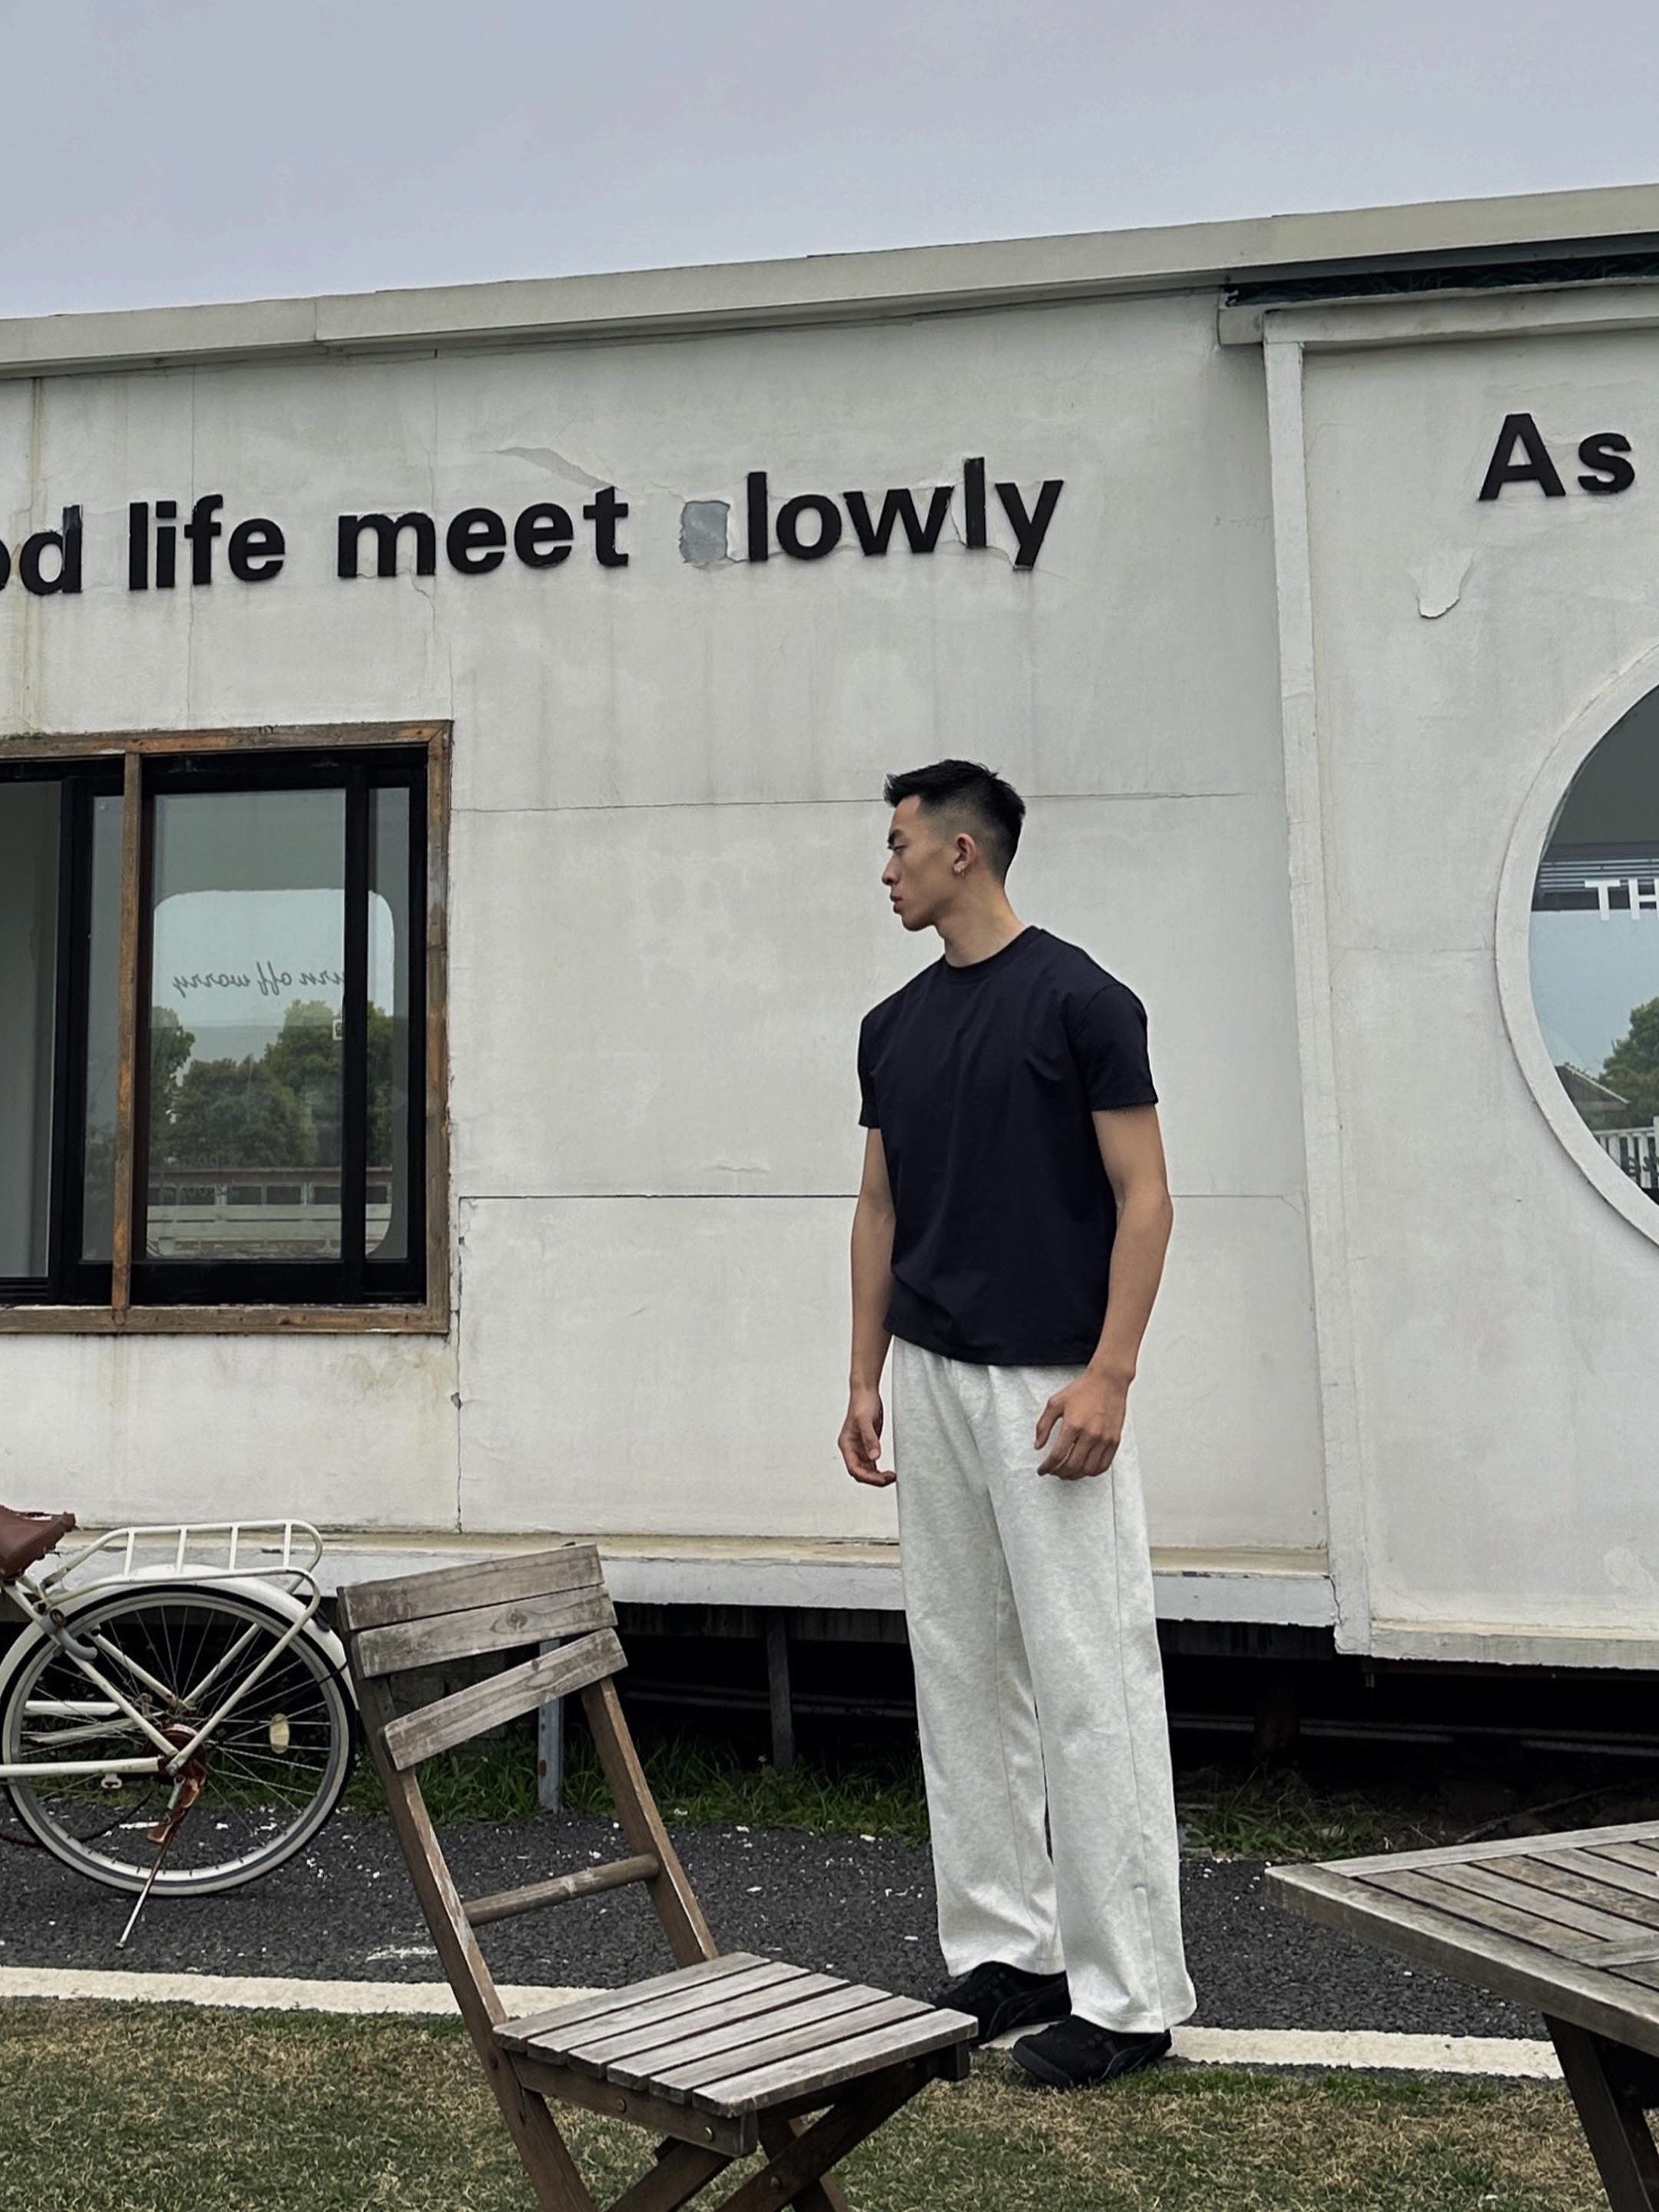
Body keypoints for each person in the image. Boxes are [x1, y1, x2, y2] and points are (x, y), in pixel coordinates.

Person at [838, 759, 1195, 2091]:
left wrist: (1113, 1375)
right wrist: (864, 1375)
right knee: (962, 1670)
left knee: (1091, 1679)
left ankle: (1130, 1997)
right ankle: (1009, 1951)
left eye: (899, 844)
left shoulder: (1083, 1000)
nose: (885, 869)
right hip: (931, 1374)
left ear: (965, 851)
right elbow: (879, 1207)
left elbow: (1147, 1195)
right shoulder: (891, 1026)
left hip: (1053, 1381)